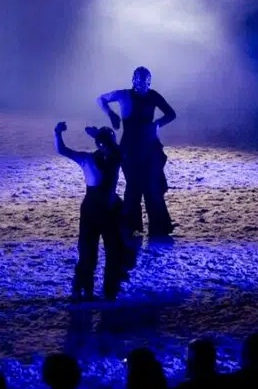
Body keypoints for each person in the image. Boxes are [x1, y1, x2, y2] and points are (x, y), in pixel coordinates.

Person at [97, 66, 176, 238]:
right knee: (133, 186)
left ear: (150, 81)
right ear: (133, 80)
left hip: (150, 148)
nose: (141, 83)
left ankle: (159, 228)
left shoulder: (153, 95)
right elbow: (100, 99)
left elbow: (171, 114)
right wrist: (111, 114)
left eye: (145, 79)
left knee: (152, 187)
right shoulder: (123, 95)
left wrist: (157, 124)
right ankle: (131, 227)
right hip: (129, 149)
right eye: (138, 79)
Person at [53, 122, 126, 301]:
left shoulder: (90, 159)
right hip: (107, 209)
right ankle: (106, 291)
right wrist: (98, 135)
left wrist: (58, 133)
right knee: (105, 252)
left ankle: (84, 289)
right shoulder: (116, 156)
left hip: (94, 209)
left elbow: (63, 150)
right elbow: (116, 150)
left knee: (93, 252)